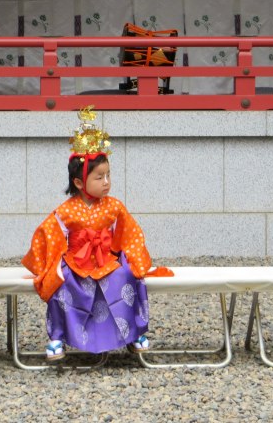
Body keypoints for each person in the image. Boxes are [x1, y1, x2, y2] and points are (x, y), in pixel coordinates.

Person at [22, 106, 171, 360]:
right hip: (76, 262)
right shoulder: (66, 210)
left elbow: (130, 233)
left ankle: (133, 334)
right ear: (79, 182)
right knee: (61, 283)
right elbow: (47, 235)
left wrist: (136, 260)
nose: (106, 182)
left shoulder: (114, 206)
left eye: (108, 175)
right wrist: (47, 266)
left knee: (127, 276)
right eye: (99, 177)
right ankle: (57, 336)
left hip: (107, 260)